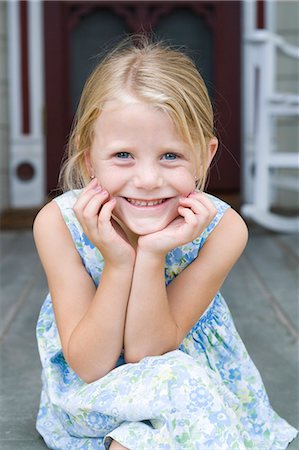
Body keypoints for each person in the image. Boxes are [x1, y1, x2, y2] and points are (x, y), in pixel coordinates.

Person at [33, 35, 297, 450]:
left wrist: (152, 254)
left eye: (171, 156)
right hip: (97, 396)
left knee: (172, 405)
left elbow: (148, 351)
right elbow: (88, 364)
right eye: (123, 155)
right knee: (173, 395)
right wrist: (119, 262)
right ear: (89, 160)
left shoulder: (224, 230)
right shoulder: (59, 224)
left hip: (192, 385)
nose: (148, 179)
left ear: (205, 156)